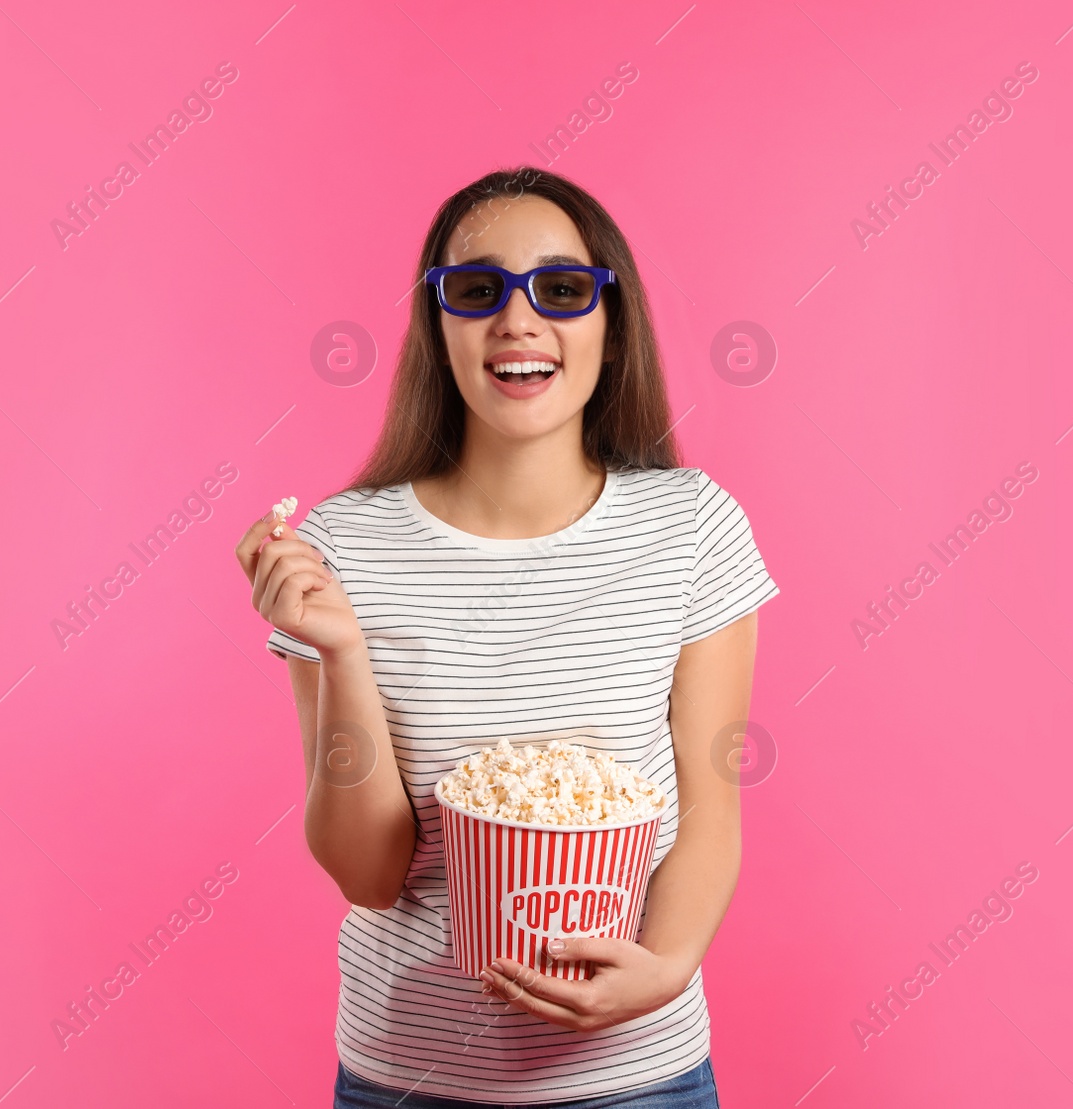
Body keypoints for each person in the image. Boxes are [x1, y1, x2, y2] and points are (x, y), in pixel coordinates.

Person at [234, 166, 779, 1107]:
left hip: (638, 1078)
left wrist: (668, 963)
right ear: (436, 324)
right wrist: (343, 650)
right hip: (409, 1075)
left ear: (611, 326)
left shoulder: (693, 526)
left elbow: (710, 808)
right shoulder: (339, 546)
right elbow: (367, 874)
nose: (518, 321)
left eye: (562, 289)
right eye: (477, 289)